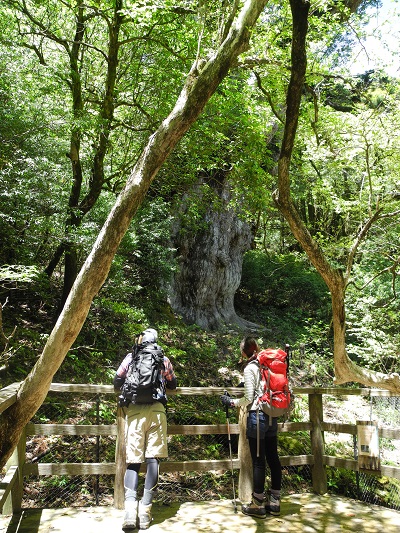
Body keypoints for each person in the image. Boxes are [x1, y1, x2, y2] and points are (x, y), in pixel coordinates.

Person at [114, 328, 177, 530]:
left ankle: (130, 512)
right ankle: (146, 510)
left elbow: (117, 380)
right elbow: (173, 384)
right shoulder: (162, 359)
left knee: (133, 461)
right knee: (152, 459)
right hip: (157, 411)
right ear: (156, 341)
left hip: (134, 413)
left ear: (141, 341)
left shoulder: (131, 356)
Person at [221, 335, 282, 519]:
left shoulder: (250, 368)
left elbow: (248, 398)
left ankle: (257, 504)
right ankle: (275, 502)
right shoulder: (266, 365)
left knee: (258, 461)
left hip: (258, 416)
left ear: (243, 352)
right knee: (273, 457)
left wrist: (231, 402)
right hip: (272, 415)